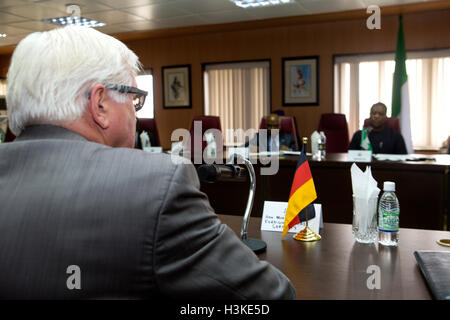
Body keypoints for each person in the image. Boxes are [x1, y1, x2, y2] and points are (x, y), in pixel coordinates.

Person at [0, 26, 296, 300]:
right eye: (134, 98)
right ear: (100, 104)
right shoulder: (156, 184)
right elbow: (269, 296)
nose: (136, 114)